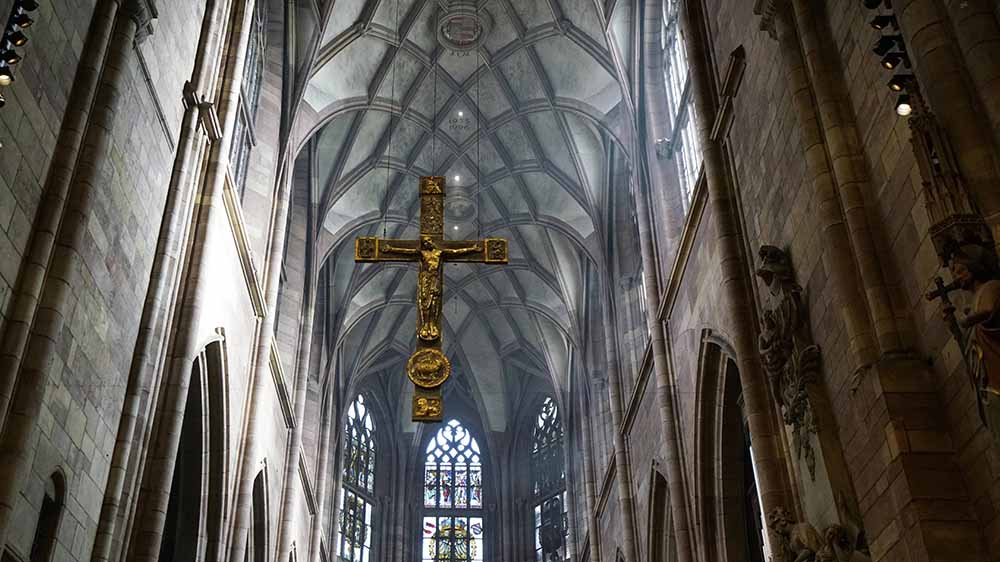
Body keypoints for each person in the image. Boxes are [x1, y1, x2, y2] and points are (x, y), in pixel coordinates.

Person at [945, 243, 1000, 439]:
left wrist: (968, 320)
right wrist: (956, 328)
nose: (957, 277)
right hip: (986, 379)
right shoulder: (973, 301)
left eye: (960, 271)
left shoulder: (991, 287)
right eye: (955, 274)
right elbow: (970, 347)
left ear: (974, 267)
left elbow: (988, 310)